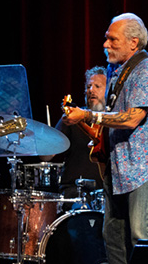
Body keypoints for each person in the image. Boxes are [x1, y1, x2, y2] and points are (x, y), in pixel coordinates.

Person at [62, 13, 148, 264]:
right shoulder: (118, 72)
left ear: (133, 42)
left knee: (142, 237)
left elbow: (132, 118)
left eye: (112, 39)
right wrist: (83, 120)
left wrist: (89, 114)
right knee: (113, 235)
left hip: (144, 167)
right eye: (106, 38)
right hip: (119, 167)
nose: (105, 44)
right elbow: (112, 124)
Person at [45, 66, 107, 200]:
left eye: (97, 86)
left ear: (108, 91)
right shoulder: (72, 118)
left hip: (106, 193)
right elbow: (46, 156)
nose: (91, 90)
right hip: (74, 192)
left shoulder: (114, 121)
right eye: (88, 86)